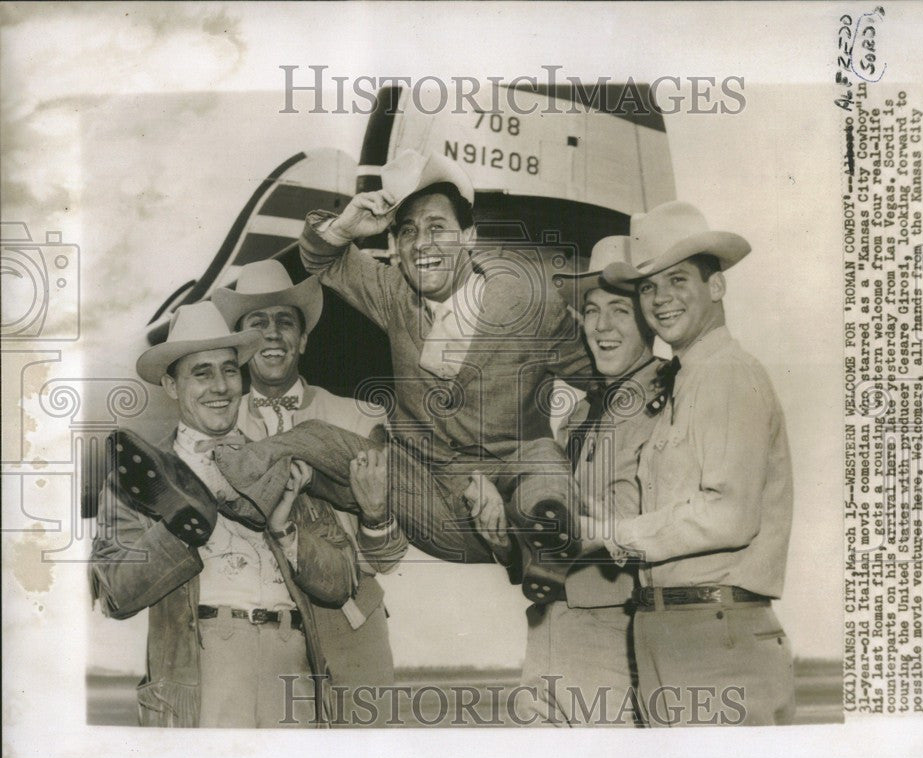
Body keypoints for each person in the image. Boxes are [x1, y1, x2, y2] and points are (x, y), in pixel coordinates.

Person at [217, 149, 594, 603]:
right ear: (396, 246)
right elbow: (325, 259)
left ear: (469, 237)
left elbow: (602, 377)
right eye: (408, 231)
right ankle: (222, 488)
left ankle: (544, 545)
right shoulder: (396, 293)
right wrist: (346, 226)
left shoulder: (528, 302)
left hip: (513, 497)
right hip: (424, 498)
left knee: (542, 457)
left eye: (438, 228)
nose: (422, 243)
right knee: (311, 435)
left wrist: (579, 440)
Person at [89, 301, 384, 727]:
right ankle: (191, 507)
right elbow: (115, 592)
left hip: (292, 663)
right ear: (172, 386)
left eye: (229, 370)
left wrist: (286, 528)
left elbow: (340, 583)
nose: (220, 386)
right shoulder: (139, 475)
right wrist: (183, 522)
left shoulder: (279, 458)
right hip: (206, 666)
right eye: (201, 373)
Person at [581, 201, 796, 726]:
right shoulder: (687, 380)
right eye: (649, 286)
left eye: (677, 280)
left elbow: (729, 516)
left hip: (713, 638)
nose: (660, 299)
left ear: (716, 286)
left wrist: (609, 534)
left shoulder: (725, 373)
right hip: (676, 632)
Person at [467, 235, 660, 726]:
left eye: (620, 310)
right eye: (591, 311)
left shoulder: (668, 402)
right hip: (545, 631)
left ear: (649, 317)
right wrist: (505, 540)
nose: (600, 327)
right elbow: (544, 549)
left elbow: (642, 529)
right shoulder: (577, 416)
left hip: (615, 638)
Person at [212, 259, 406, 721]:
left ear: (304, 339)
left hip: (350, 622)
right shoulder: (217, 424)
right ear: (240, 346)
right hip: (260, 627)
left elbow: (388, 557)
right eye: (257, 324)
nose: (273, 334)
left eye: (285, 323)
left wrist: (377, 514)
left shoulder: (359, 417)